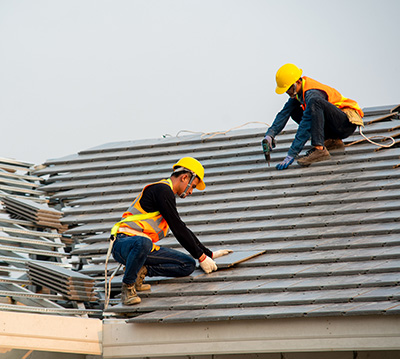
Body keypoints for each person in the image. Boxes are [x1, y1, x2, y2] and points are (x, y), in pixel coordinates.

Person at [109, 157, 232, 305]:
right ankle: (128, 286)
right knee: (143, 242)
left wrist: (207, 253)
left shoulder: (167, 194)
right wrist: (201, 257)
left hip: (143, 249)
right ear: (184, 177)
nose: (191, 191)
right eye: (192, 186)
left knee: (187, 265)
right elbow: (178, 229)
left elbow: (181, 226)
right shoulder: (162, 190)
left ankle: (141, 271)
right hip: (124, 244)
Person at [263, 63, 364, 170]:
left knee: (315, 104)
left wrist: (292, 153)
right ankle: (332, 141)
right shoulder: (299, 93)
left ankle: (319, 149)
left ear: (297, 82)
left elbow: (306, 124)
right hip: (335, 126)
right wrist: (270, 135)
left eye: (289, 89)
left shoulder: (312, 93)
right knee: (293, 109)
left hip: (346, 123)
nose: (288, 93)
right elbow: (284, 113)